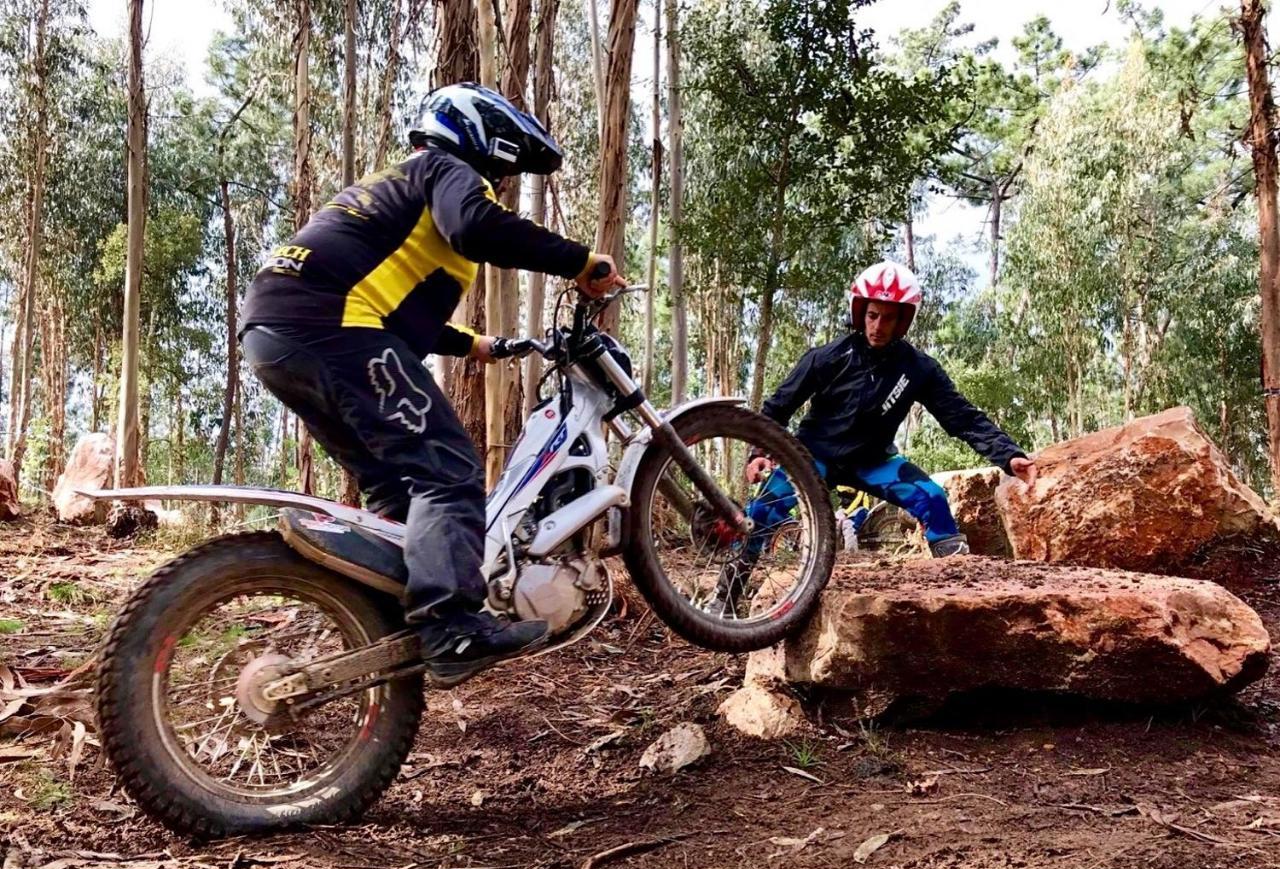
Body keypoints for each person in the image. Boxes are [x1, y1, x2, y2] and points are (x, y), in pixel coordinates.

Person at [238, 82, 623, 685]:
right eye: (502, 168)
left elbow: (394, 307)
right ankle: (450, 627)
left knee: (395, 491)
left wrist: (477, 345)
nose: (501, 183)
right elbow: (474, 226)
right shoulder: (446, 169)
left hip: (279, 333)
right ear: (480, 138)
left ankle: (387, 620)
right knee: (447, 470)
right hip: (330, 324)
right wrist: (580, 262)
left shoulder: (398, 186)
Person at [708, 261, 1035, 615]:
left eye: (888, 318)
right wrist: (760, 452)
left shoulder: (919, 369)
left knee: (934, 499)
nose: (878, 326)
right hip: (811, 457)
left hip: (875, 461)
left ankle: (960, 599)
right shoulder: (826, 358)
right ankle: (723, 601)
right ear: (860, 312)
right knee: (762, 513)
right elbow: (776, 408)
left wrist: (1008, 455)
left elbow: (963, 418)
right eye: (873, 315)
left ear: (903, 321)